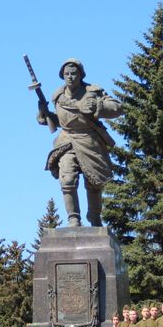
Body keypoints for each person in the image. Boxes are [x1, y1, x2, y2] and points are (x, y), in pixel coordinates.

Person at [37, 58, 123, 227]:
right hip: (66, 141)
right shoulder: (58, 96)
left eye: (73, 73)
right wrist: (44, 113)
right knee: (67, 179)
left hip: (89, 141)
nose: (70, 77)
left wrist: (98, 106)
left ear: (81, 75)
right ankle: (73, 219)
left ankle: (95, 217)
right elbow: (57, 120)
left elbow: (117, 107)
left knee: (93, 184)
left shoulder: (92, 91)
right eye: (66, 74)